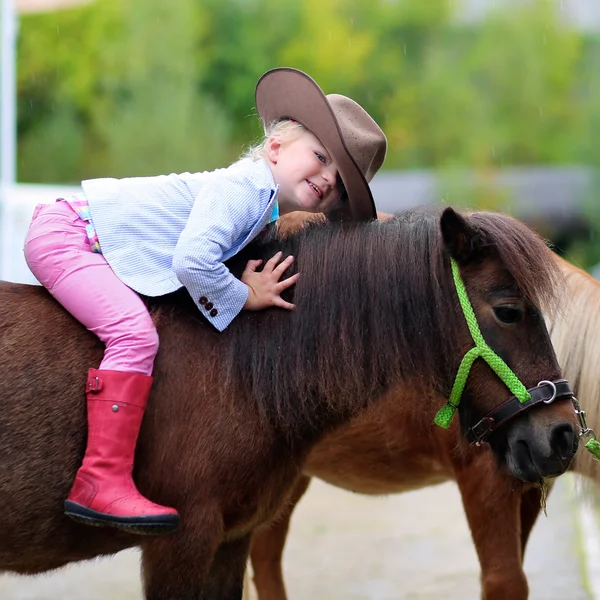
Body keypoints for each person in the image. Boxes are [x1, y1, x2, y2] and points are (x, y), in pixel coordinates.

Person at [23, 67, 387, 535]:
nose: (326, 178)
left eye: (339, 180)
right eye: (319, 156)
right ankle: (101, 478)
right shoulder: (246, 189)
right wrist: (245, 295)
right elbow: (192, 262)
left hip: (86, 236)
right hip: (72, 236)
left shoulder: (263, 208)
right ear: (275, 146)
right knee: (133, 334)